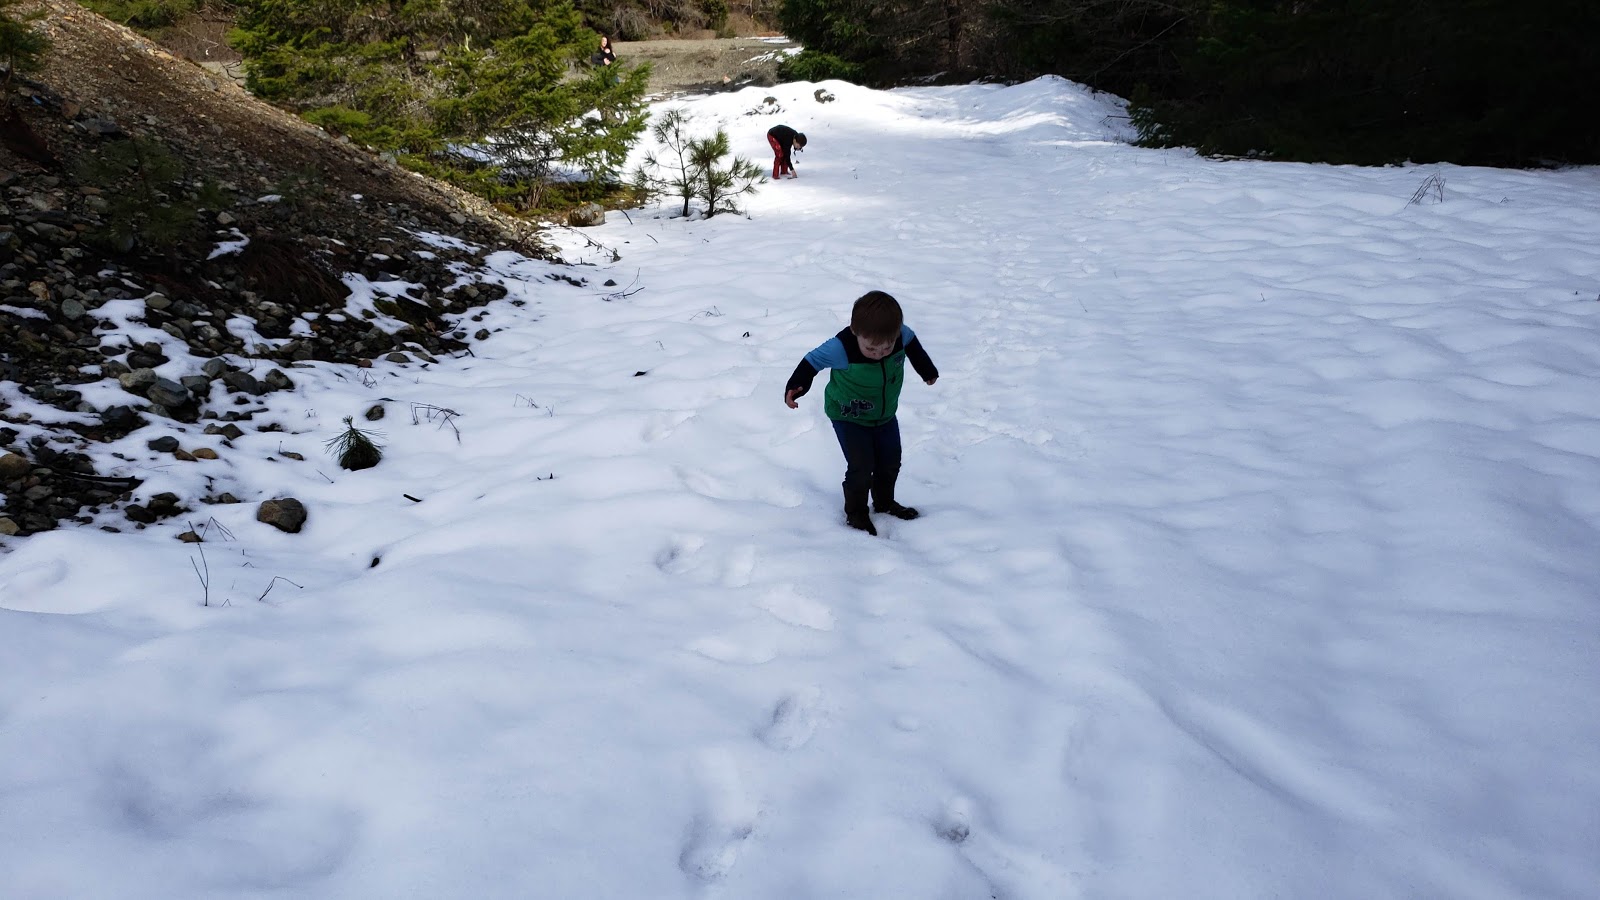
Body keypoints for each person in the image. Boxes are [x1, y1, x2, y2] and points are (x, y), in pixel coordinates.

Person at [784, 291, 939, 536]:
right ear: (855, 331)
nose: (880, 353)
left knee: (890, 462)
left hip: (885, 415)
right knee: (861, 466)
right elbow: (812, 361)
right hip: (848, 416)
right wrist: (796, 386)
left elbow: (911, 343)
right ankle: (856, 513)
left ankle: (884, 503)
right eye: (872, 349)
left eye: (887, 347)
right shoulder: (841, 347)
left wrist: (926, 369)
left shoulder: (900, 335)